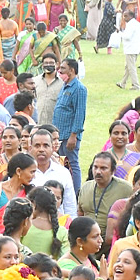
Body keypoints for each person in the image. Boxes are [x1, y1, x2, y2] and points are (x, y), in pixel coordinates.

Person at [51, 58, 87, 189]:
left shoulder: (79, 88)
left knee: (72, 163)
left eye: (63, 68)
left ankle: (75, 192)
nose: (59, 71)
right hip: (60, 135)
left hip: (69, 135)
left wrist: (74, 136)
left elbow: (80, 114)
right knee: (60, 162)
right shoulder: (65, 85)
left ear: (72, 70)